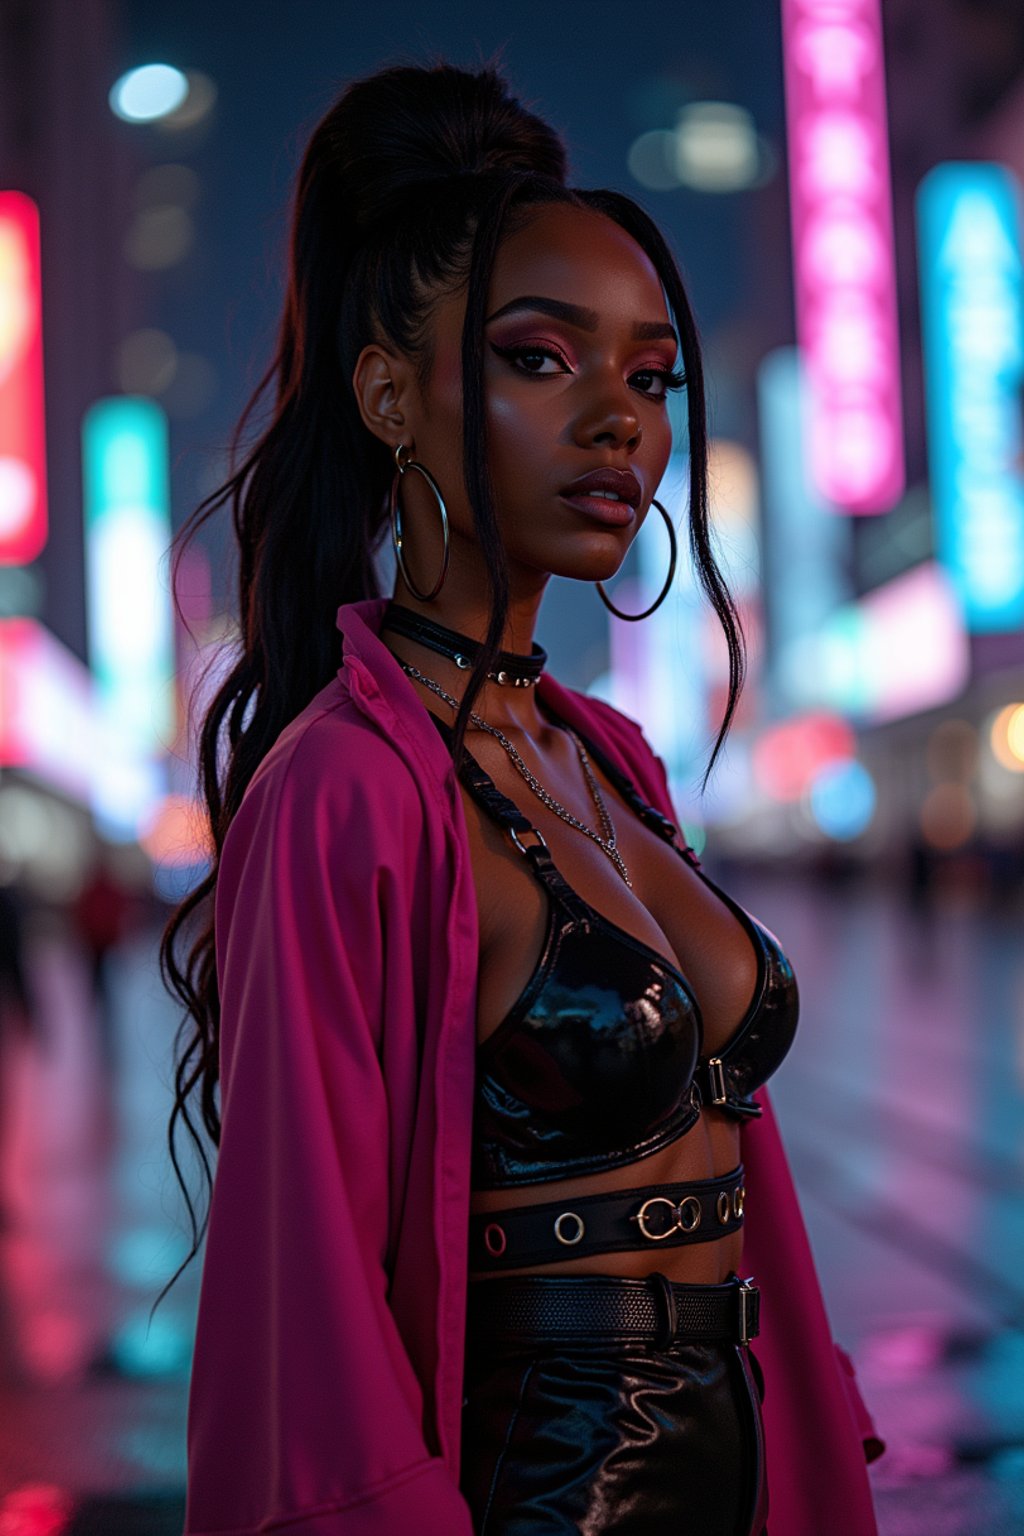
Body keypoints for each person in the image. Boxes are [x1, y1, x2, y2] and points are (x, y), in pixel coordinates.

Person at [160, 58, 883, 1536]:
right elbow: (304, 1300)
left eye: (651, 375)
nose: (621, 419)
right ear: (387, 394)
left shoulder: (608, 757)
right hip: (546, 1494)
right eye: (543, 359)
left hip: (737, 1470)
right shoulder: (346, 789)